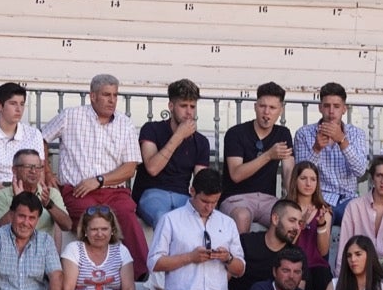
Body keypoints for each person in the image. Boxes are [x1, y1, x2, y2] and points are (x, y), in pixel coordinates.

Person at [41, 75, 147, 274]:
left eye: (115, 95)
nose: (112, 100)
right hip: (78, 191)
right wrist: (47, 172)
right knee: (90, 219)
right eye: (106, 95)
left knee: (127, 217)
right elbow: (40, 139)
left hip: (114, 191)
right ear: (92, 96)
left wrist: (99, 181)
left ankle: (141, 273)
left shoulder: (125, 124)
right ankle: (90, 272)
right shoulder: (71, 116)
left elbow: (130, 167)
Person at [132, 78, 210, 227]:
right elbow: (153, 168)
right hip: (151, 193)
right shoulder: (151, 129)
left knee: (197, 223)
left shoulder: (201, 142)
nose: (189, 112)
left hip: (183, 197)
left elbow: (202, 181)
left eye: (192, 106)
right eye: (183, 106)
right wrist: (179, 136)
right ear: (171, 106)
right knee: (164, 218)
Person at [219, 81, 294, 234]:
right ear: (255, 107)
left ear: (281, 110)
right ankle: (238, 258)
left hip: (268, 200)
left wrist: (294, 200)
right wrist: (268, 155)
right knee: (242, 216)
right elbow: (236, 175)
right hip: (236, 198)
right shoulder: (236, 133)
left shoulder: (283, 133)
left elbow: (288, 171)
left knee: (289, 220)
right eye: (262, 106)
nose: (266, 112)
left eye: (272, 108)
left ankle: (283, 259)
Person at [292, 82, 369, 222]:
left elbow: (360, 171)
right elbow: (301, 174)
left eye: (337, 106)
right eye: (327, 106)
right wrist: (316, 149)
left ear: (344, 109)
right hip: (319, 198)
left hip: (349, 198)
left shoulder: (356, 134)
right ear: (320, 108)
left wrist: (342, 141)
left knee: (361, 221)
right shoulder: (304, 133)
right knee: (319, 220)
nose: (331, 111)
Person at [0, 82, 45, 197]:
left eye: (22, 104)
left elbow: (40, 174)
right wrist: (10, 192)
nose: (19, 109)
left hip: (28, 189)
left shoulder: (34, 134)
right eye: (13, 103)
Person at [229, 199, 303, 290]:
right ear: (275, 219)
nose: (297, 227)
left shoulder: (296, 255)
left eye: (299, 223)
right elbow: (221, 281)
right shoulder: (246, 242)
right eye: (292, 220)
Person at [0, 148, 72, 238]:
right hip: (11, 248)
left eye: (38, 167)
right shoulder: (1, 195)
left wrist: (49, 204)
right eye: (28, 166)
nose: (33, 171)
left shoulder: (51, 193)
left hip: (43, 248)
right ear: (14, 170)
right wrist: (18, 201)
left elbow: (67, 226)